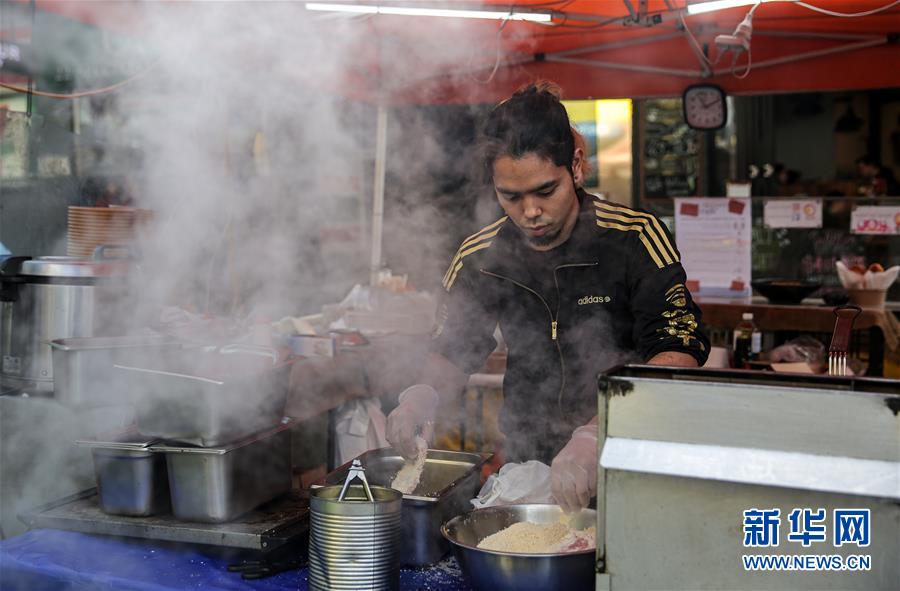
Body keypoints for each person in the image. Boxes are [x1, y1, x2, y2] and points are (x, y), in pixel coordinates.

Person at [386, 82, 709, 513]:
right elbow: (452, 350)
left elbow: (677, 352)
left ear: (575, 167)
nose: (530, 212)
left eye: (545, 191)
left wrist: (598, 433)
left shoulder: (634, 238)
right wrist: (422, 395)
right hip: (530, 460)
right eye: (511, 196)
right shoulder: (481, 256)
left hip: (630, 452)